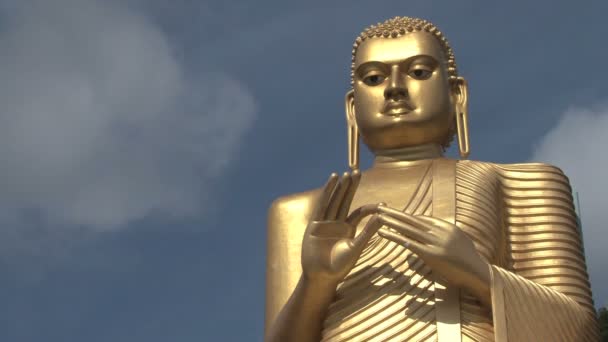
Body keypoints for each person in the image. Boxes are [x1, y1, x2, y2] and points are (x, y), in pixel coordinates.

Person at [265, 16, 599, 341]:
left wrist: (478, 274)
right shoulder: (306, 211)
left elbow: (581, 331)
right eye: (373, 78)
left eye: (419, 72)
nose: (395, 89)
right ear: (352, 108)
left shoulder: (521, 183)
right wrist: (316, 284)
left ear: (457, 93)